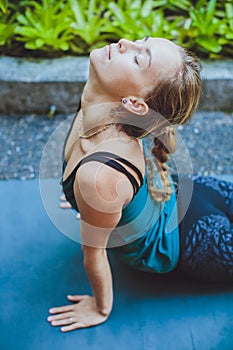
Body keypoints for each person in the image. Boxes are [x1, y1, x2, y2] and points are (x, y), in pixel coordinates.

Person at [47, 37, 233, 332]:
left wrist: (99, 307)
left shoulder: (99, 175)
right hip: (185, 194)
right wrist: (88, 203)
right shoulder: (96, 114)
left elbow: (94, 253)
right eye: (138, 42)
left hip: (197, 239)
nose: (124, 42)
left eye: (138, 58)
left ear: (134, 103)